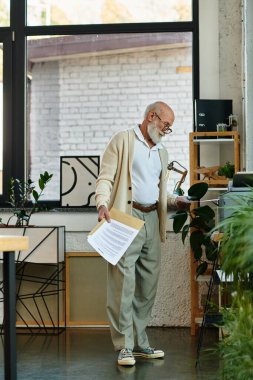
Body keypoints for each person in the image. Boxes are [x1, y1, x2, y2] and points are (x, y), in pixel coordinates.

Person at [95, 101, 189, 366]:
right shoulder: (123, 140)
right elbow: (105, 178)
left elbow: (157, 189)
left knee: (147, 285)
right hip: (127, 217)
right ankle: (124, 346)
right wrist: (102, 203)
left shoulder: (161, 151)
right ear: (151, 116)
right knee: (122, 284)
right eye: (166, 124)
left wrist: (176, 201)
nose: (167, 130)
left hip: (152, 218)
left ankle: (140, 343)